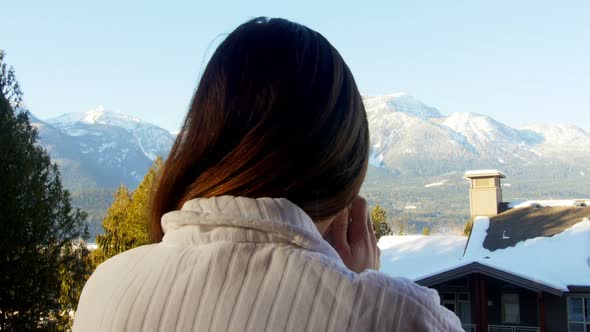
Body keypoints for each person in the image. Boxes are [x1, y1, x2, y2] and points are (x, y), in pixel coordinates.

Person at [74, 17, 463, 331]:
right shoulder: (405, 318)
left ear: (203, 143)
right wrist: (353, 288)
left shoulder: (104, 290)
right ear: (341, 173)